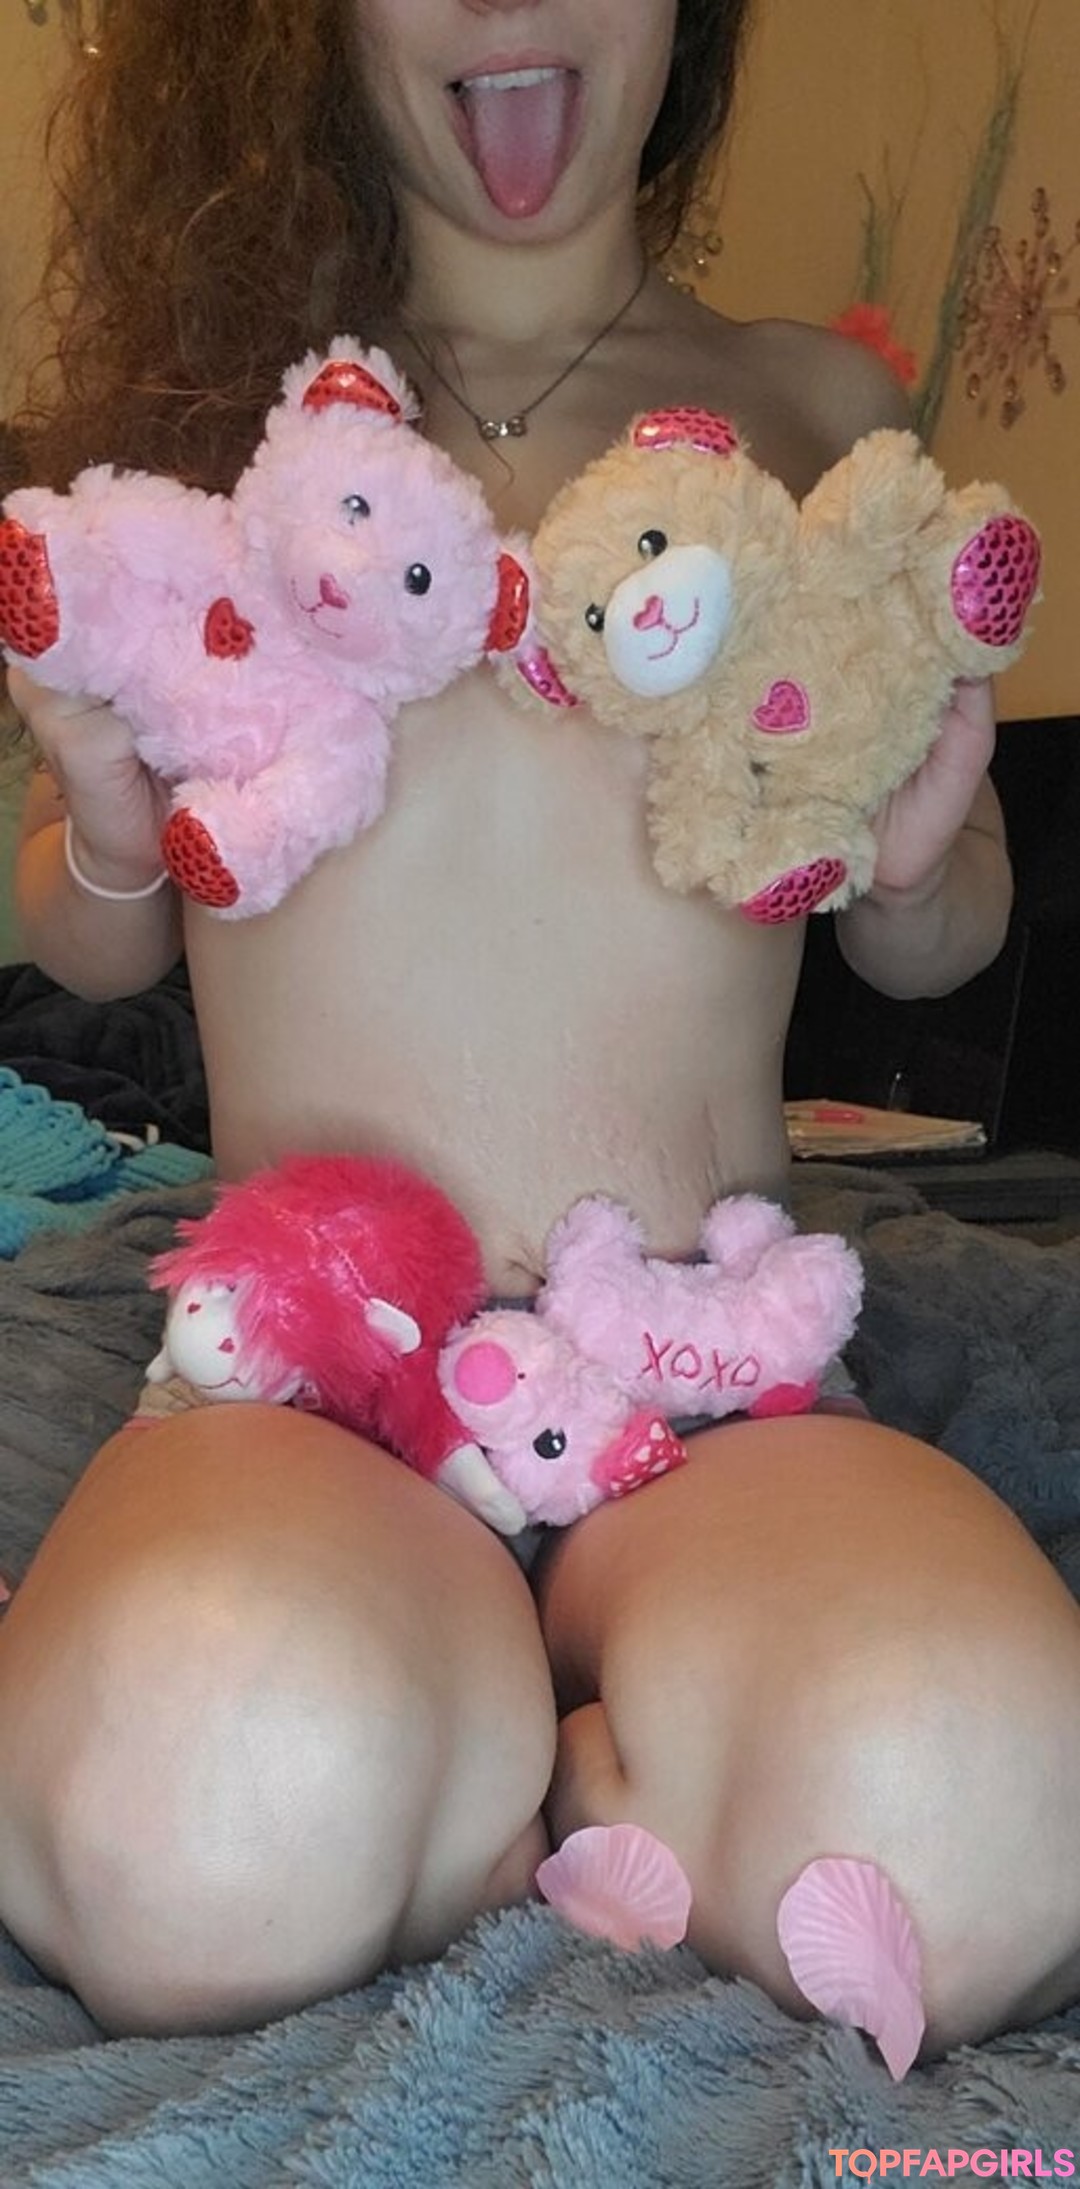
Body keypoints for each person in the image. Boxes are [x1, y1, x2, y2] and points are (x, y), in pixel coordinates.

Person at [2, 0, 1080, 2055]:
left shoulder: (819, 405)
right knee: (183, 1831)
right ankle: (489, 1738)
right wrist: (112, 833)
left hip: (708, 1377)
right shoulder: (215, 410)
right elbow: (92, 942)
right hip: (317, 1382)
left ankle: (561, 1758)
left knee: (990, 1812)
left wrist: (919, 860)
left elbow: (942, 943)